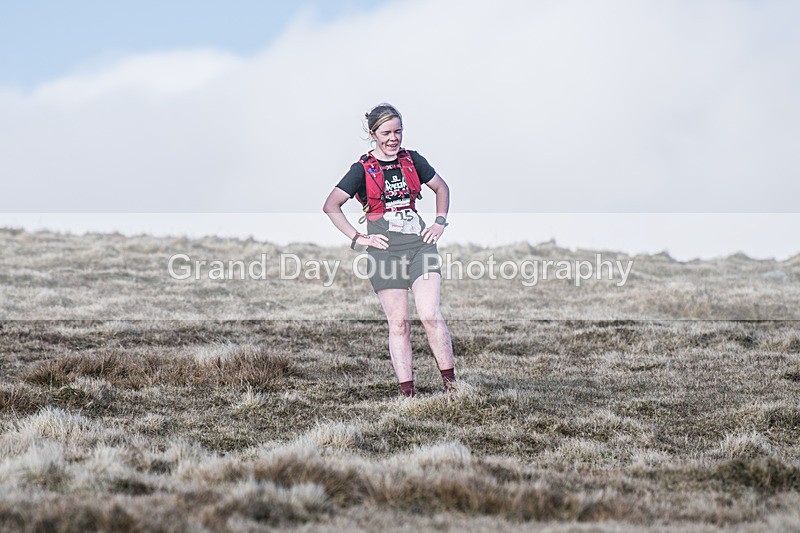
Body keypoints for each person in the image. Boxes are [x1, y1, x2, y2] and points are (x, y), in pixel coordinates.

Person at [322, 103, 455, 398]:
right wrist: (358, 238)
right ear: (373, 134)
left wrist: (439, 223)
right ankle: (408, 395)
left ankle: (453, 388)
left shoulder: (413, 160)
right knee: (399, 324)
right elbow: (331, 205)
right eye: (386, 133)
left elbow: (442, 188)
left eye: (398, 131)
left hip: (420, 247)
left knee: (430, 314)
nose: (393, 138)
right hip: (384, 254)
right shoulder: (361, 170)